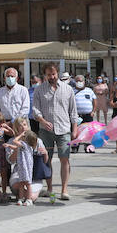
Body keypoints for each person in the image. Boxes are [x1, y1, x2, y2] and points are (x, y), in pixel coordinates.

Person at [31, 62, 78, 200]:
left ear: (57, 73)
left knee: (65, 159)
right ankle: (49, 188)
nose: (51, 76)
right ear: (45, 75)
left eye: (53, 74)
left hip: (64, 130)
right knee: (47, 159)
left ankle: (64, 190)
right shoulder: (39, 89)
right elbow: (35, 110)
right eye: (48, 74)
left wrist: (74, 130)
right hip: (45, 130)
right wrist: (43, 121)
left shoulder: (68, 89)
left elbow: (73, 111)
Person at [7, 128, 45, 205]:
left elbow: (15, 141)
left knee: (27, 183)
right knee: (22, 183)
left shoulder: (24, 145)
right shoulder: (25, 146)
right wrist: (9, 146)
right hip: (22, 167)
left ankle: (29, 199)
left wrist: (20, 135)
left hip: (26, 168)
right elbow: (16, 147)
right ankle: (21, 199)